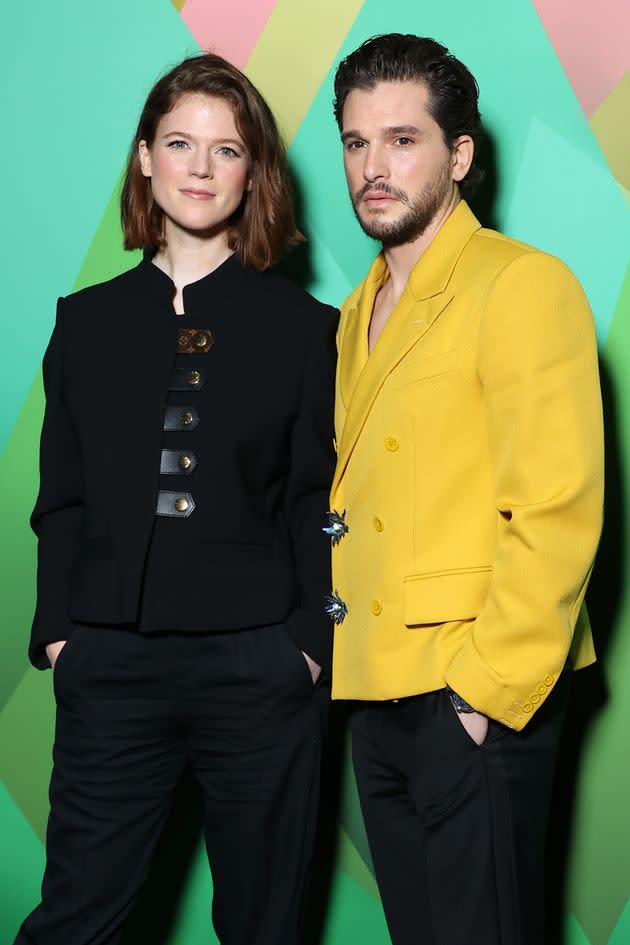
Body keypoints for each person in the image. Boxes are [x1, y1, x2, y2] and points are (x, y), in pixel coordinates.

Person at [15, 52, 337, 945]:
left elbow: (315, 500)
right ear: (145, 159)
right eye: (181, 143)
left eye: (226, 150)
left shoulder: (307, 331)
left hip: (260, 670)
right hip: (111, 662)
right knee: (78, 918)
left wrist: (308, 646)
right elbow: (64, 499)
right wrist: (61, 634)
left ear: (253, 172)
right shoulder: (85, 323)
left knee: (264, 926)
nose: (201, 168)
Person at [325, 33, 604, 945]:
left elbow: (557, 507)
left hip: (473, 689)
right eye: (356, 142)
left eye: (402, 140)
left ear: (460, 155)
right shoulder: (354, 315)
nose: (374, 165)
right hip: (375, 691)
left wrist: (482, 693)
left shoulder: (522, 285)